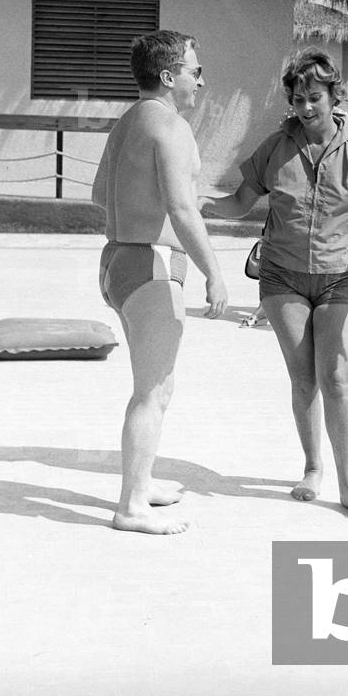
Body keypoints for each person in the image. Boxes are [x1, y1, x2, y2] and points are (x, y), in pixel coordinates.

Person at [204, 48, 348, 517]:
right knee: (303, 377)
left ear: (335, 96)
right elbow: (242, 200)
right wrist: (198, 202)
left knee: (338, 377)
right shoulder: (275, 146)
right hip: (282, 277)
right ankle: (312, 467)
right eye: (298, 99)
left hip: (339, 278)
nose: (306, 108)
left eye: (315, 98)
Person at [92, 30, 228, 535]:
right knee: (150, 391)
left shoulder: (127, 121)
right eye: (195, 70)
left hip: (118, 261)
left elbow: (96, 195)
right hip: (150, 264)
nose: (201, 78)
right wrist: (214, 272)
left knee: (158, 387)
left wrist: (139, 218)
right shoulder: (171, 126)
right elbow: (181, 207)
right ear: (169, 77)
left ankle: (141, 482)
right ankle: (130, 506)